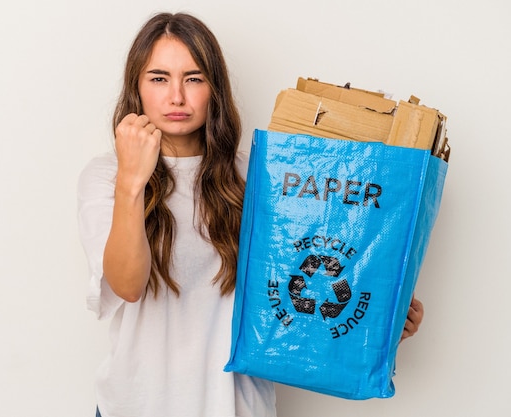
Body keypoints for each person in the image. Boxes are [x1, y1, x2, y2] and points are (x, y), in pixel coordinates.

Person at [77, 12, 424, 417]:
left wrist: (377, 319)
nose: (176, 96)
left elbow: (299, 282)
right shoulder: (107, 178)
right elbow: (128, 286)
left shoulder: (260, 174)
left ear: (214, 89)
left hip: (237, 406)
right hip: (137, 404)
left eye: (194, 78)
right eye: (158, 78)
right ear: (136, 87)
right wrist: (132, 182)